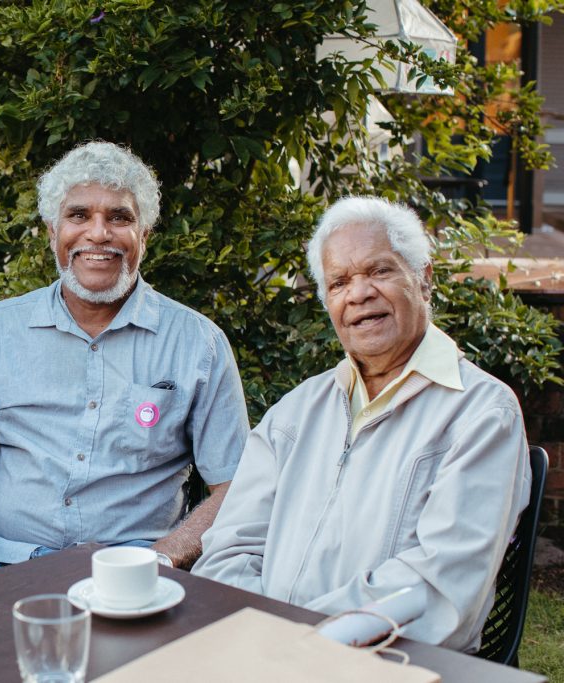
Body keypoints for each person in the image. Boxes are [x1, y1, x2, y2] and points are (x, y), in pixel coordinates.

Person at [192, 196, 531, 652]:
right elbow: (228, 552)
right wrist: (264, 644)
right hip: (264, 655)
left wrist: (301, 643)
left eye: (379, 271)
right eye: (339, 283)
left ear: (424, 279)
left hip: (391, 662)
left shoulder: (482, 413)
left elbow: (441, 587)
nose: (358, 293)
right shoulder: (294, 413)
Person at [0, 141, 249, 589]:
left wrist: (162, 558)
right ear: (52, 232)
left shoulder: (199, 344)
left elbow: (235, 487)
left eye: (119, 217)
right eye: (78, 216)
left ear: (144, 235)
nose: (98, 234)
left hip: (133, 574)